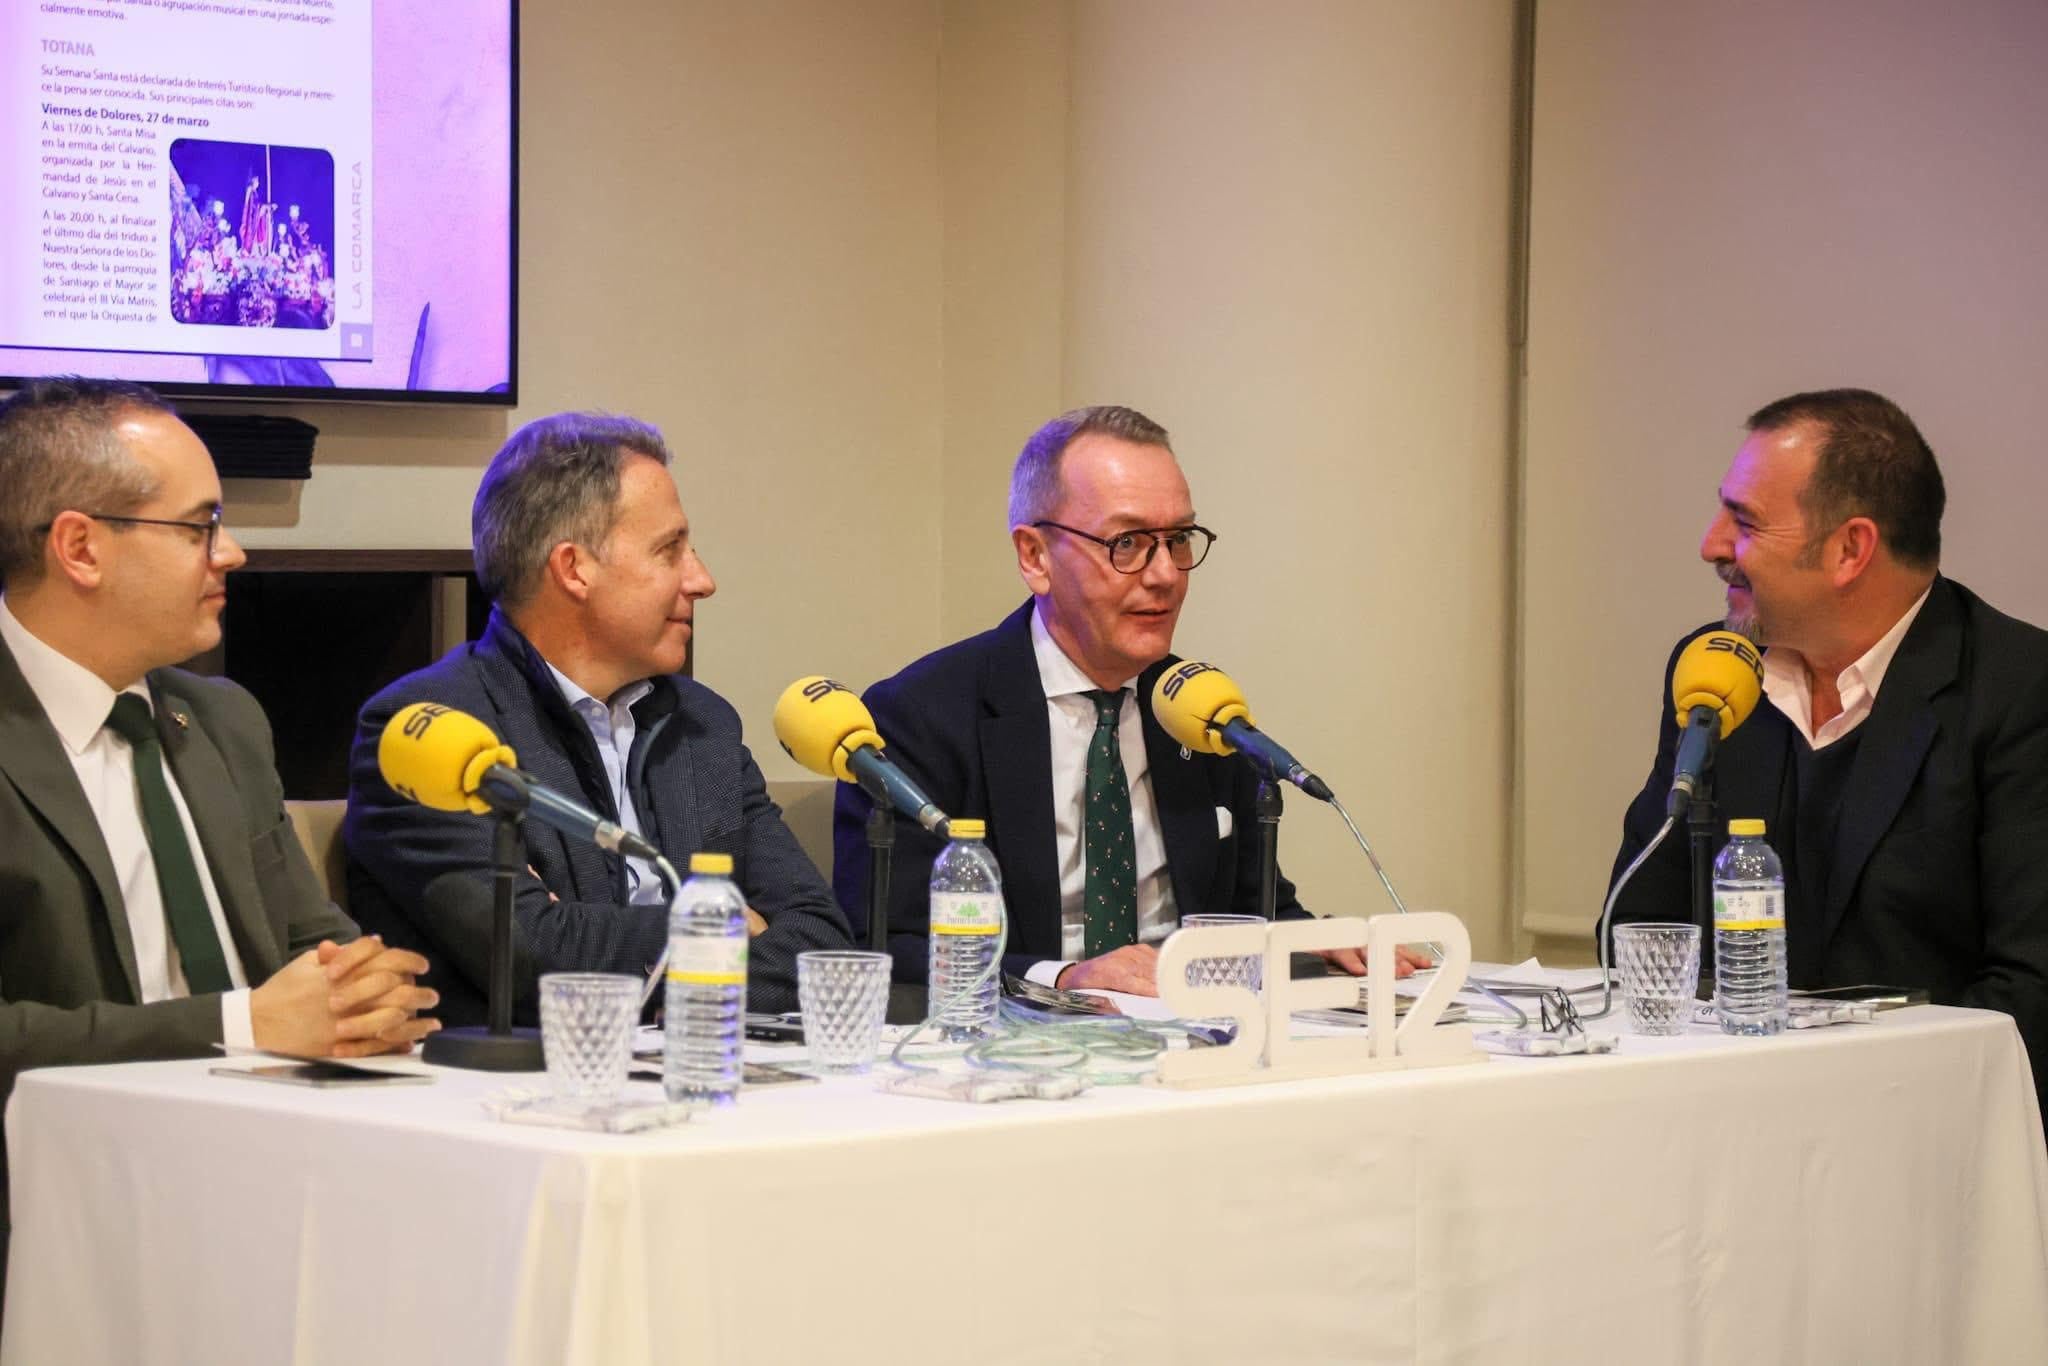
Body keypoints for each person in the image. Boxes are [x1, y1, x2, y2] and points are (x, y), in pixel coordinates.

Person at [0, 378, 438, 1265]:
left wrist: (366, 992)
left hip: (273, 1167)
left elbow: (314, 945)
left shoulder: (224, 721)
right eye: (199, 527)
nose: (231, 553)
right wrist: (242, 1025)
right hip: (55, 1204)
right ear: (80, 547)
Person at [834, 405, 1426, 994]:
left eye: (1178, 540)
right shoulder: (921, 716)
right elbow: (885, 940)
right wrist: (1064, 978)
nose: (1165, 573)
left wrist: (1315, 940)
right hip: (1022, 1045)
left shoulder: (1200, 710)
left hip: (1193, 1033)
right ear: (1034, 557)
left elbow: (1254, 909)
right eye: (1129, 542)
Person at [1606, 388, 2048, 1104]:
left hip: (1933, 1133)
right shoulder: (1715, 674)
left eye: (1745, 521)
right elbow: (1640, 929)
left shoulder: (2018, 691)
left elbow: (2030, 992)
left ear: (1850, 549)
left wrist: (1842, 1099)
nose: (1711, 544)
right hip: (1721, 1118)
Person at [344, 413, 852, 1025]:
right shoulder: (431, 732)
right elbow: (532, 952)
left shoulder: (702, 725)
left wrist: (652, 972)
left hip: (714, 1075)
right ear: (573, 569)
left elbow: (821, 941)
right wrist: (721, 930)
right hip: (519, 1101)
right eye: (670, 550)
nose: (703, 580)